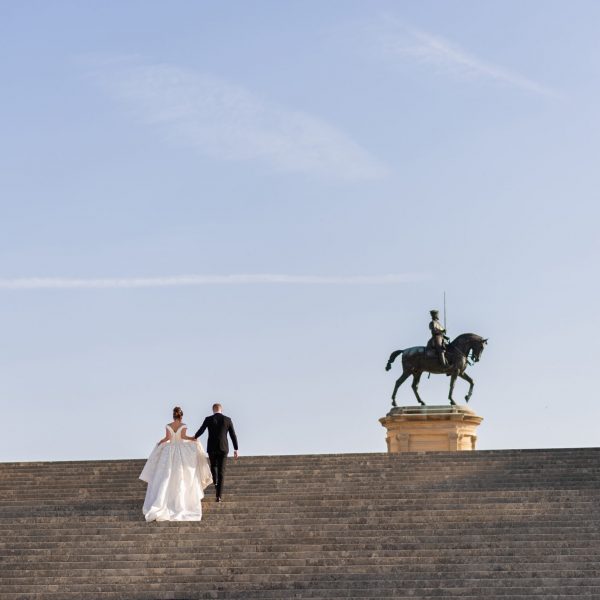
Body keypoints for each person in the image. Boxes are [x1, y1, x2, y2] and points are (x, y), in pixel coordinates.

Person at [139, 406, 212, 522]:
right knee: (181, 475)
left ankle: (163, 501)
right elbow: (183, 437)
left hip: (170, 450)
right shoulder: (183, 425)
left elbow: (167, 438)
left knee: (167, 474)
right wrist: (192, 438)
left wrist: (160, 443)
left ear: (173, 415)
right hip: (180, 450)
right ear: (181, 415)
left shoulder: (168, 425)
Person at [194, 403, 238, 503]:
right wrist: (236, 449)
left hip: (212, 448)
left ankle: (215, 482)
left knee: (213, 467)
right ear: (221, 409)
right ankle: (219, 496)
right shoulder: (227, 419)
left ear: (213, 410)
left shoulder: (208, 419)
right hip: (223, 448)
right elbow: (233, 434)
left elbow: (202, 430)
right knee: (222, 472)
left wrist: (194, 437)